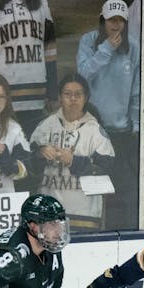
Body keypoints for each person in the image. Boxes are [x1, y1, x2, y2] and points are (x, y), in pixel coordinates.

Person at [78, 0, 141, 230]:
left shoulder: (133, 46)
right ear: (102, 20)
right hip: (94, 130)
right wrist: (105, 50)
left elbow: (136, 89)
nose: (116, 25)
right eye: (111, 20)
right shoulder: (88, 41)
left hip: (121, 131)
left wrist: (134, 123)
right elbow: (82, 76)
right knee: (94, 188)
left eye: (120, 21)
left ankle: (121, 232)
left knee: (123, 189)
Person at [29, 74, 115, 231]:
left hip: (84, 215)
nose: (73, 99)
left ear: (86, 97)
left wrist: (73, 161)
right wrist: (40, 153)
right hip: (49, 212)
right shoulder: (46, 126)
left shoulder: (94, 130)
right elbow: (27, 166)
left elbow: (106, 171)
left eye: (78, 94)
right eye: (67, 94)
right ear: (60, 97)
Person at [0, 0, 58, 134]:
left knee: (34, 150)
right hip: (3, 98)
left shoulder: (41, 2)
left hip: (36, 97)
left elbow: (50, 52)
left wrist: (52, 93)